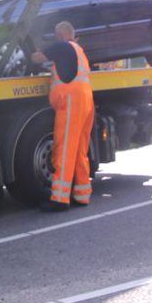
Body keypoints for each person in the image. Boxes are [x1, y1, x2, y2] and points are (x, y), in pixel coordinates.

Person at [30, 21, 95, 210]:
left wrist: (31, 50)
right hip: (86, 102)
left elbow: (37, 58)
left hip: (71, 103)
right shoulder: (78, 50)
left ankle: (59, 199)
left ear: (60, 35)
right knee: (79, 151)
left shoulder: (61, 46)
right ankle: (82, 195)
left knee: (64, 150)